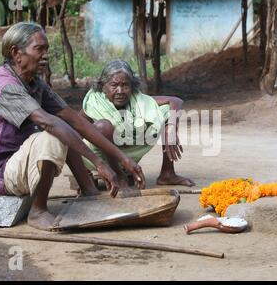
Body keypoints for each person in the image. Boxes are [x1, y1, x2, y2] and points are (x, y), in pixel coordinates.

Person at [0, 23, 145, 231]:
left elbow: (76, 120)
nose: (46, 55)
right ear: (17, 53)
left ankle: (89, 191)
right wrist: (99, 163)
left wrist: (123, 158)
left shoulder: (34, 83)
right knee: (53, 134)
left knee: (65, 128)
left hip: (18, 164)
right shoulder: (5, 87)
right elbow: (49, 122)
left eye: (47, 49)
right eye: (39, 49)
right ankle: (37, 212)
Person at [80, 59, 195, 190]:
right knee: (103, 126)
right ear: (103, 86)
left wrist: (171, 128)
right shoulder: (94, 104)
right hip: (99, 157)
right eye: (114, 85)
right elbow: (74, 133)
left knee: (166, 112)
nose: (120, 91)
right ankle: (118, 175)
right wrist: (83, 172)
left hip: (129, 153)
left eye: (125, 85)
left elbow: (175, 101)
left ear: (132, 86)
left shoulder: (138, 100)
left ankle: (167, 173)